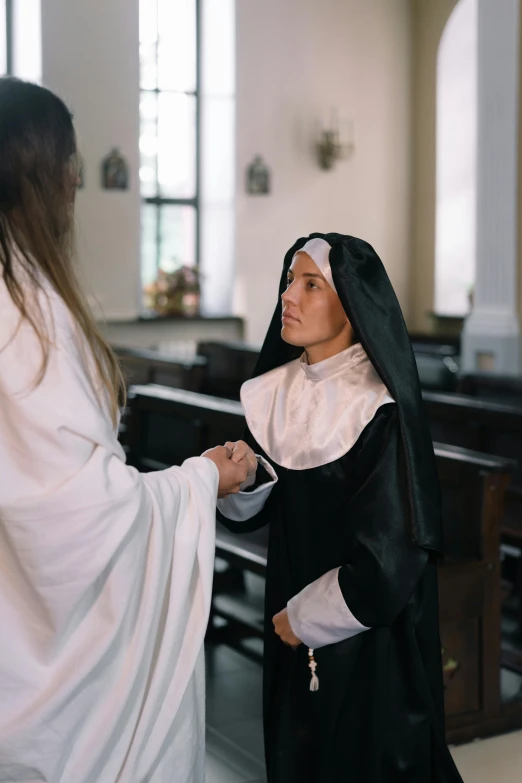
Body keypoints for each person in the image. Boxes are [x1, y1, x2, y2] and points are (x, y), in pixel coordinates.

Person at [0, 77, 250, 783]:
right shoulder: (30, 317)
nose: (78, 188)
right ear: (43, 175)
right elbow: (78, 517)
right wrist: (202, 478)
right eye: (72, 170)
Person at [217, 234, 464, 782]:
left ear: (351, 304)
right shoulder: (274, 391)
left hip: (366, 633)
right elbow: (273, 501)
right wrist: (243, 474)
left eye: (311, 285)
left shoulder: (379, 408)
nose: (289, 296)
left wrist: (306, 618)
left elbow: (393, 554)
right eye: (289, 281)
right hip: (287, 614)